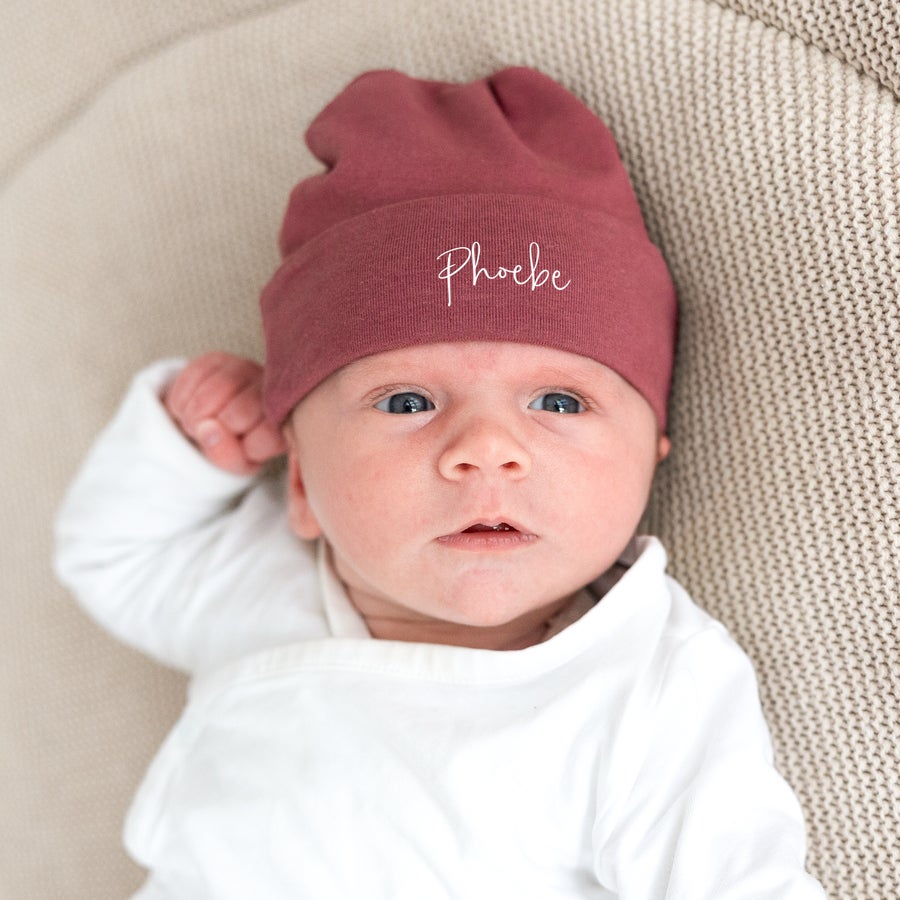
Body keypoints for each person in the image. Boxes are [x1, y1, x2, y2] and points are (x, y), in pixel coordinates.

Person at [54, 67, 827, 898]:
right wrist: (182, 445)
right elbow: (114, 559)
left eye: (559, 400)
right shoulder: (259, 582)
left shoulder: (646, 683)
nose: (487, 449)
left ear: (649, 459)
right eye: (409, 401)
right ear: (304, 484)